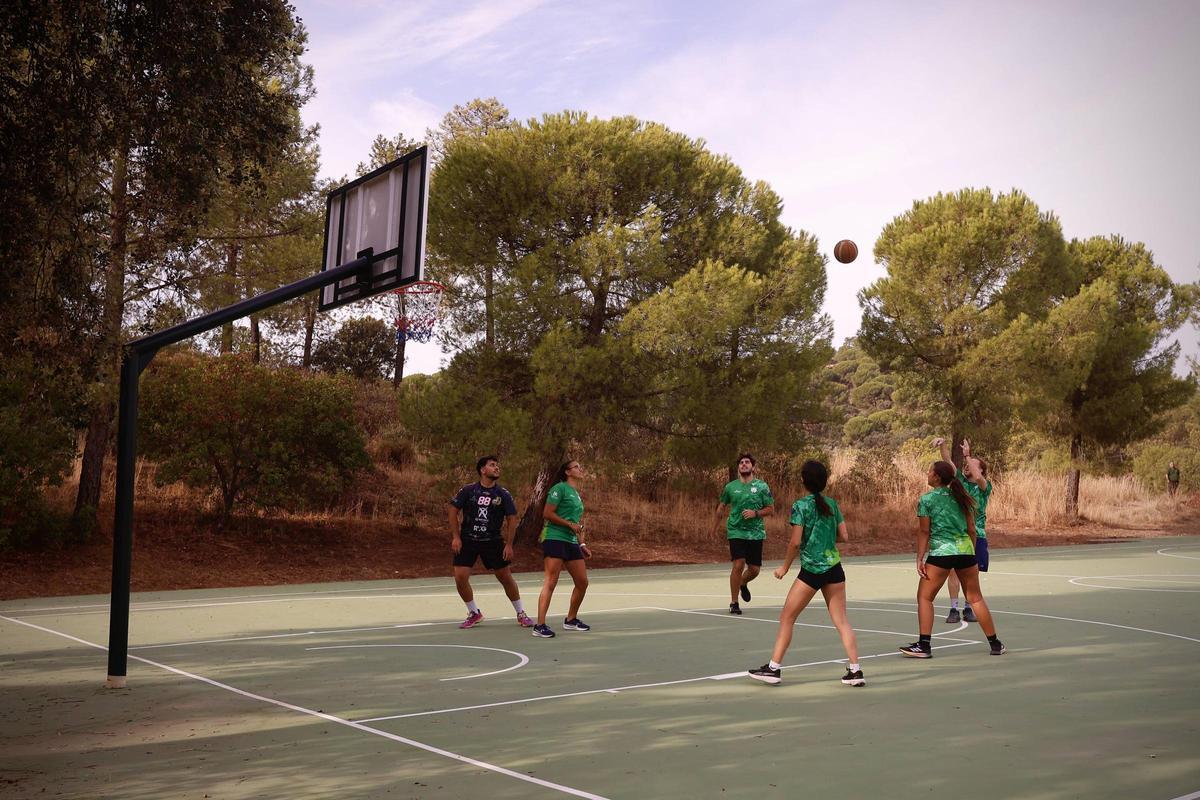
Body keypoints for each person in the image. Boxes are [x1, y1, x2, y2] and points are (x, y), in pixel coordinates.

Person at [749, 460, 865, 687]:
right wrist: (825, 540)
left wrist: (784, 567)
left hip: (812, 570)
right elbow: (844, 536)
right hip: (834, 568)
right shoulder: (832, 504)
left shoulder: (801, 506)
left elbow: (794, 543)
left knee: (787, 618)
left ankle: (773, 669)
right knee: (842, 622)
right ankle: (855, 671)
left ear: (804, 480)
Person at [899, 460, 1006, 658]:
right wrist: (971, 552)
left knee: (924, 597)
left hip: (942, 553)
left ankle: (924, 645)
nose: (928, 474)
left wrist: (920, 558)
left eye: (929, 471)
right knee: (976, 598)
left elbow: (924, 531)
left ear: (937, 477)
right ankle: (995, 643)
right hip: (965, 551)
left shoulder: (927, 499)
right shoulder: (962, 496)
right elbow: (972, 529)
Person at [448, 455, 533, 629]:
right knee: (460, 577)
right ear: (482, 470)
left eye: (497, 465)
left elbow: (511, 519)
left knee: (505, 577)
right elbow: (452, 511)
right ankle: (474, 612)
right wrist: (456, 537)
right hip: (468, 540)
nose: (497, 468)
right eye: (492, 465)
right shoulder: (468, 490)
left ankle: (521, 613)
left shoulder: (503, 494)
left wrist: (509, 544)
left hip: (493, 541)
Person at [934, 438, 993, 624]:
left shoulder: (984, 487)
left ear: (981, 470)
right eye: (966, 465)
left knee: (971, 574)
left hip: (978, 535)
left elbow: (977, 477)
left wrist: (968, 456)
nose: (967, 467)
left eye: (972, 465)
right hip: (958, 534)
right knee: (952, 571)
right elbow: (948, 463)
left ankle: (969, 608)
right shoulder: (960, 482)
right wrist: (943, 445)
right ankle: (953, 608)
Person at [532, 459, 593, 638]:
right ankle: (540, 625)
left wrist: (582, 544)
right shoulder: (559, 488)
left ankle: (571, 620)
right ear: (567, 472)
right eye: (576, 467)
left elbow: (576, 523)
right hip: (554, 538)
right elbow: (547, 513)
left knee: (582, 582)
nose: (580, 469)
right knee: (551, 581)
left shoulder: (575, 493)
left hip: (571, 541)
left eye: (580, 466)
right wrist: (568, 524)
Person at [713, 454, 774, 615]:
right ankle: (734, 603)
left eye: (747, 462)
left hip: (756, 533)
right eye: (741, 463)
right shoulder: (730, 487)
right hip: (736, 530)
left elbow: (770, 509)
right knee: (738, 564)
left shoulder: (762, 487)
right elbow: (721, 507)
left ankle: (742, 583)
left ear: (753, 467)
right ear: (738, 467)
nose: (744, 464)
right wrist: (713, 528)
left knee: (754, 570)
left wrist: (756, 513)